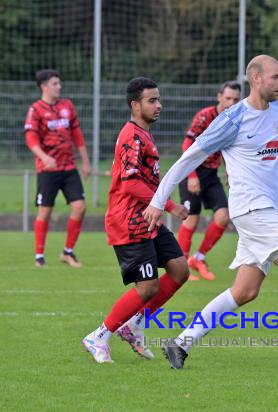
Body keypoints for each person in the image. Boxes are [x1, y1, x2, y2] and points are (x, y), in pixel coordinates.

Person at [143, 55, 278, 370]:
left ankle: (180, 344)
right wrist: (157, 200)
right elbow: (188, 159)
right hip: (251, 208)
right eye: (276, 77)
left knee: (245, 291)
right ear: (256, 79)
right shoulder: (233, 120)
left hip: (261, 210)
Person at [82, 77, 190, 363]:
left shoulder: (144, 134)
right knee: (148, 288)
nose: (159, 105)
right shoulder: (131, 136)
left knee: (179, 270)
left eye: (158, 99)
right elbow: (130, 185)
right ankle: (99, 335)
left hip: (147, 218)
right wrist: (169, 205)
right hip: (129, 221)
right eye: (151, 100)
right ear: (135, 104)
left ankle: (134, 325)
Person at [24, 69, 91, 268]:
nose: (59, 86)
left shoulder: (67, 106)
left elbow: (77, 135)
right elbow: (30, 138)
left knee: (80, 207)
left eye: (59, 83)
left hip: (69, 167)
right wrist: (44, 157)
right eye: (55, 83)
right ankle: (39, 256)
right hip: (47, 170)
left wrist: (85, 162)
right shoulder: (35, 110)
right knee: (45, 212)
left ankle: (67, 252)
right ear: (44, 87)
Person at [178, 81, 241, 281]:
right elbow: (187, 143)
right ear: (219, 97)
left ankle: (198, 258)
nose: (231, 103)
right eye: (228, 98)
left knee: (223, 216)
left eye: (236, 99)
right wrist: (192, 176)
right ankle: (181, 268)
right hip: (193, 171)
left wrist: (231, 172)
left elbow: (228, 149)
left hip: (211, 175)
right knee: (191, 219)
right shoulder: (205, 116)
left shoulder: (234, 120)